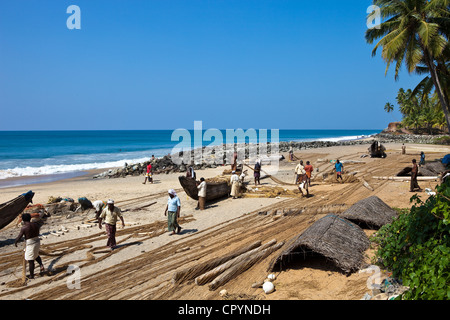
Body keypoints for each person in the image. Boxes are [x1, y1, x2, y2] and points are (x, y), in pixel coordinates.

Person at [14, 213, 45, 279]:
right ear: (30, 218)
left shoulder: (24, 227)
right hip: (37, 241)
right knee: (36, 254)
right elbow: (37, 233)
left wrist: (16, 242)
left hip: (30, 244)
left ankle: (31, 275)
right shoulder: (35, 225)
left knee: (30, 260)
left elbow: (19, 236)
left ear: (22, 219)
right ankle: (41, 264)